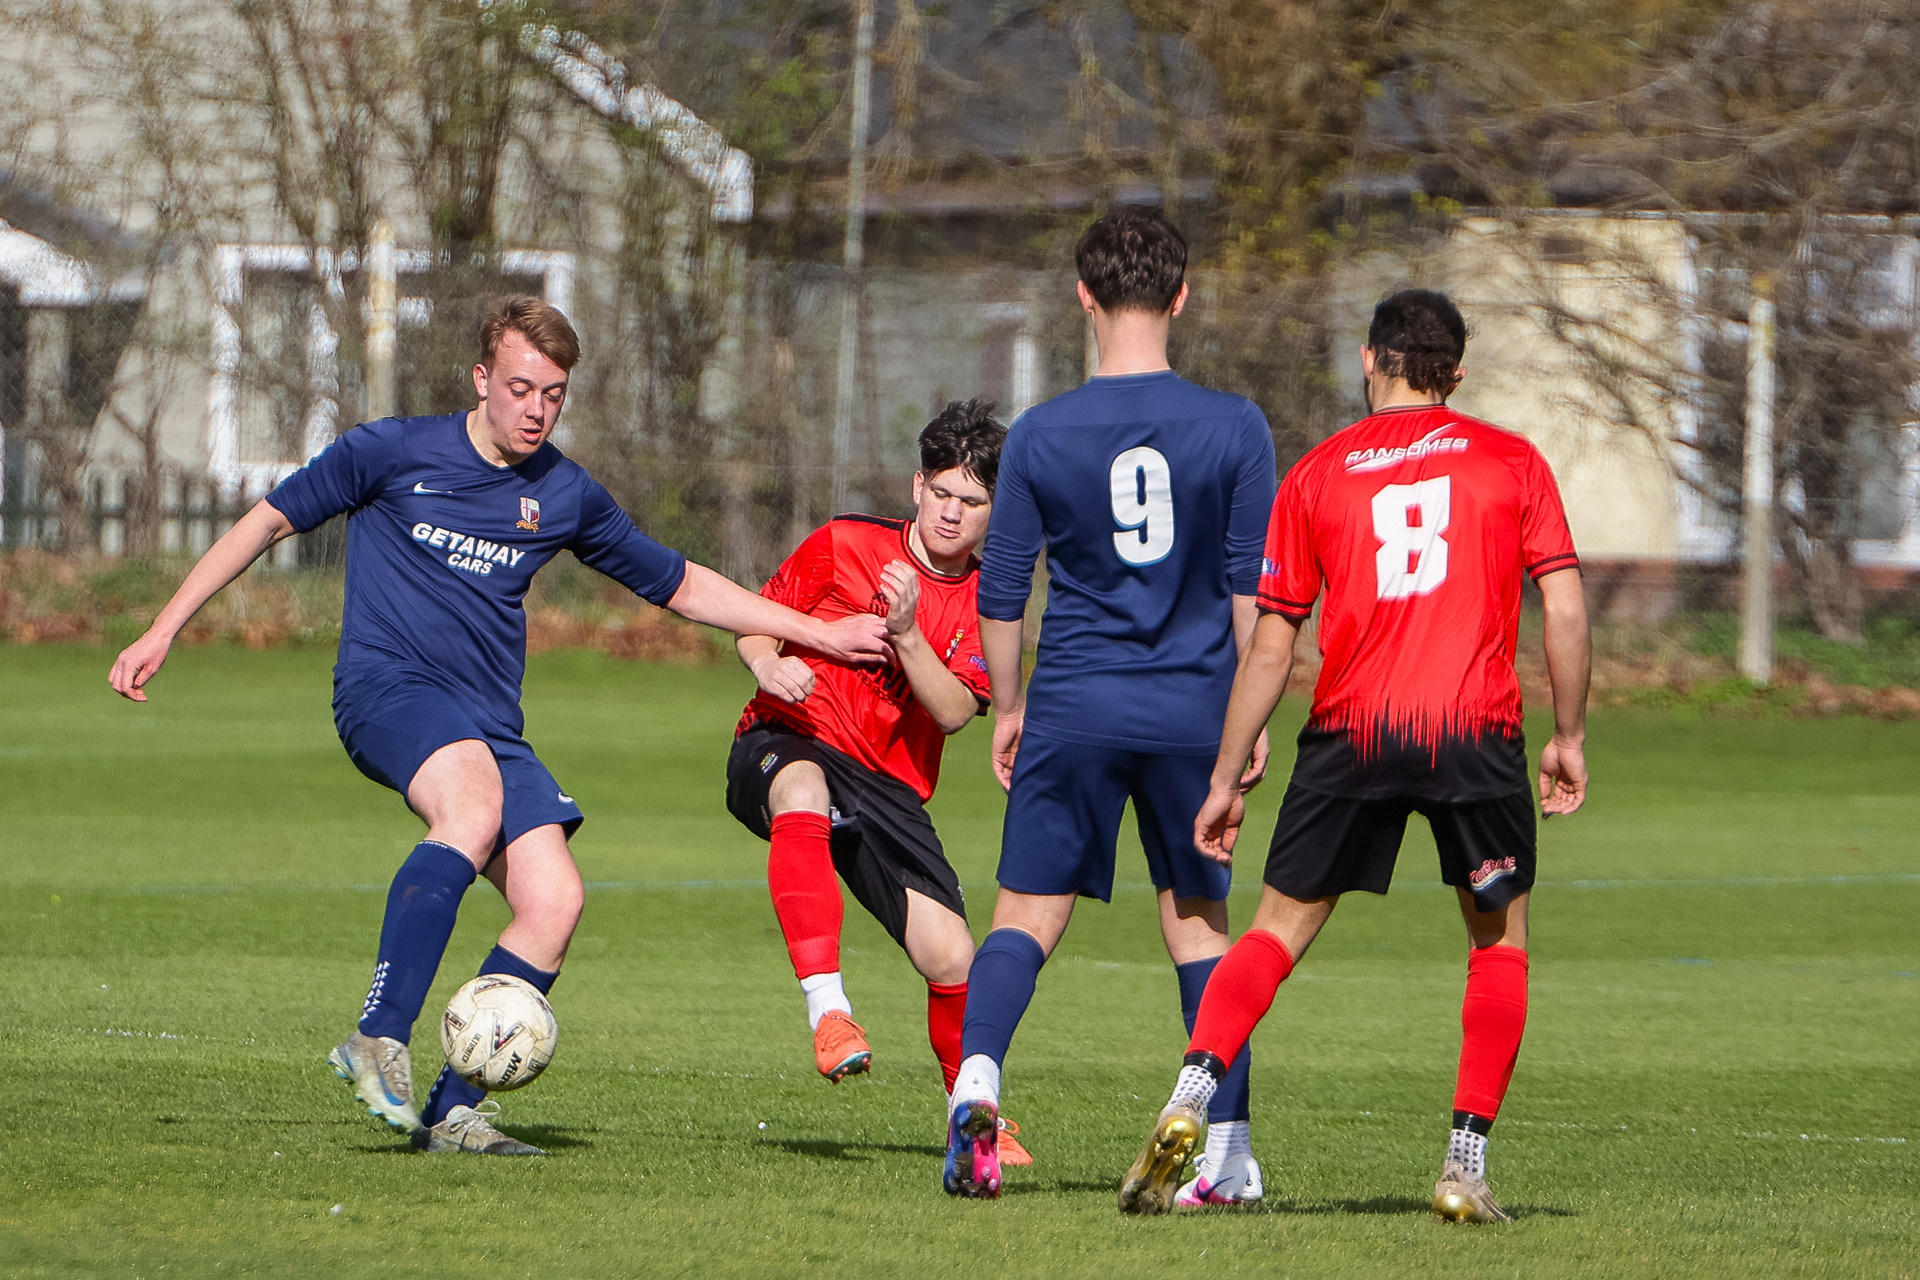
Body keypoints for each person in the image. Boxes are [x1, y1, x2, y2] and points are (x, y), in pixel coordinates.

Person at [108, 295, 889, 1156]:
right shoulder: (391, 451)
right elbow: (267, 521)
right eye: (520, 388)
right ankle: (378, 1036)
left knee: (554, 900)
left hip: (488, 723)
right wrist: (163, 627)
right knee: (472, 809)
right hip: (388, 688)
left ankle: (450, 1113)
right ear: (481, 379)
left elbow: (679, 582)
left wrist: (817, 633)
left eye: (553, 395)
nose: (536, 410)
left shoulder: (564, 492)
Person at [1116, 288, 1591, 1220]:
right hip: (1472, 730)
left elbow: (1272, 646)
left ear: (1370, 360)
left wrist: (1224, 778)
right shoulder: (1513, 461)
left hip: (1351, 731)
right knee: (1498, 943)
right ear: (1457, 373)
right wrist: (1568, 736)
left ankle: (1189, 1098)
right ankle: (1462, 1167)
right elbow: (1565, 608)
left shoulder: (1317, 474)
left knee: (1273, 933)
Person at [942, 207, 1278, 1201]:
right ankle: (1225, 1156)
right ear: (1182, 296)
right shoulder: (1236, 425)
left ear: (1083, 297)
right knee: (1200, 928)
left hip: (1074, 705)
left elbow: (1003, 592)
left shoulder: (1042, 433)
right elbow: (1252, 594)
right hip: (1194, 712)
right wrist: (1248, 723)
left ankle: (976, 1082)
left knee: (1024, 917)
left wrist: (1010, 705)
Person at [724, 400, 1028, 1163]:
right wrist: (768, 665)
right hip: (787, 736)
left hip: (888, 787)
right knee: (803, 792)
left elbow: (954, 711)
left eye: (972, 501)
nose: (951, 512)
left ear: (994, 510)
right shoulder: (844, 543)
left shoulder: (990, 601)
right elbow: (755, 619)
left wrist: (906, 631)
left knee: (953, 956)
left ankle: (973, 1117)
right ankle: (829, 1011)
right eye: (942, 492)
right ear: (918, 486)